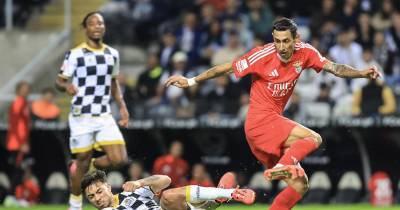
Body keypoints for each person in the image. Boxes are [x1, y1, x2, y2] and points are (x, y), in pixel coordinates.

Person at [165, 17, 380, 210]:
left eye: (286, 41)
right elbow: (224, 69)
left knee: (301, 185)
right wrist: (191, 80)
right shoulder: (262, 54)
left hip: (269, 128)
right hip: (260, 122)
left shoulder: (305, 52)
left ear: (296, 39)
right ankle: (283, 165)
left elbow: (335, 68)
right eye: (277, 41)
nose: (281, 46)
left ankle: (281, 170)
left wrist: (361, 73)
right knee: (314, 138)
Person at [55, 11, 129, 210]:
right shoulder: (75, 53)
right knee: (82, 160)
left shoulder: (112, 54)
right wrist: (66, 87)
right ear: (85, 28)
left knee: (120, 159)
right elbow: (59, 80)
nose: (97, 26)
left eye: (100, 23)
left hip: (104, 114)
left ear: (104, 27)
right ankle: (75, 204)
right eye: (92, 23)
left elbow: (113, 82)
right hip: (82, 116)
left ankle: (93, 164)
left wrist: (122, 106)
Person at [81, 170, 255, 210]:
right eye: (91, 196)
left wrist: (140, 182)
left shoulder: (130, 192)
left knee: (168, 196)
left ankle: (230, 194)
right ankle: (215, 200)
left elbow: (165, 180)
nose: (96, 198)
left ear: (109, 187)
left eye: (99, 191)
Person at [6, 81, 31, 195]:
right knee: (16, 170)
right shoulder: (18, 102)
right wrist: (22, 143)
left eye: (27, 88)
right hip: (16, 143)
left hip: (21, 142)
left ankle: (16, 195)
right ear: (18, 90)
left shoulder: (24, 103)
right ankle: (10, 196)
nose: (26, 90)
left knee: (21, 170)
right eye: (24, 88)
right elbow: (14, 124)